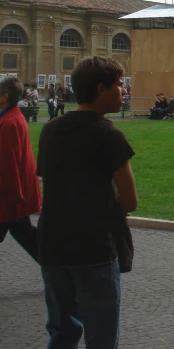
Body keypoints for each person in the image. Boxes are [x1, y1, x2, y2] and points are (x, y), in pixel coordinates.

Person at [37, 56, 138, 347]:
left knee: (61, 331)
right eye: (119, 85)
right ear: (101, 89)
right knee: (101, 336)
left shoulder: (51, 129)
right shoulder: (109, 135)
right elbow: (130, 201)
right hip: (93, 247)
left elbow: (50, 179)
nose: (124, 91)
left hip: (52, 244)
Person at [0, 76, 42, 262]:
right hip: (14, 195)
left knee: (26, 234)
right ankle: (59, 268)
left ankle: (60, 268)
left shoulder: (9, 123)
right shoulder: (14, 117)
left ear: (4, 97)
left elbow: (9, 164)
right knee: (26, 234)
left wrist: (15, 197)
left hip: (10, 197)